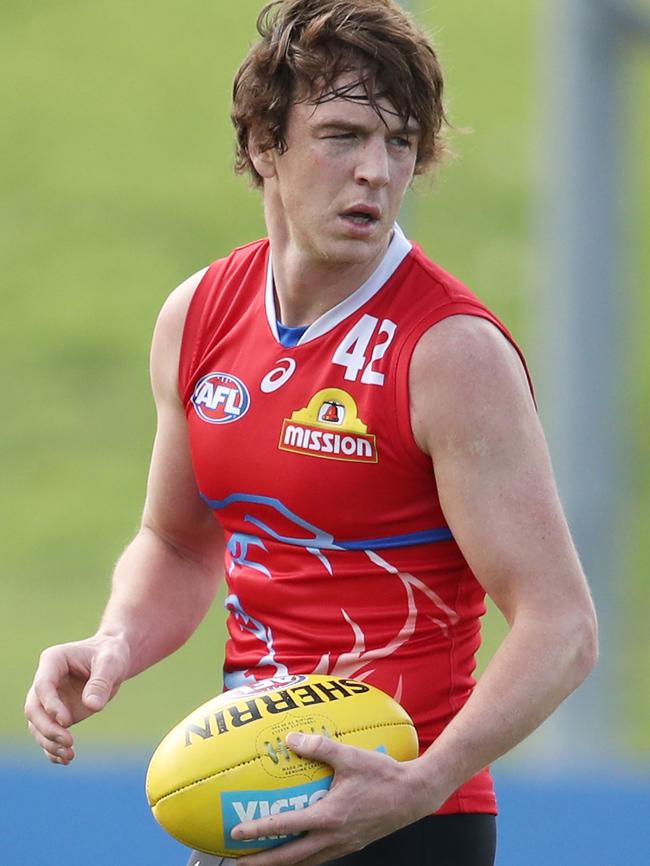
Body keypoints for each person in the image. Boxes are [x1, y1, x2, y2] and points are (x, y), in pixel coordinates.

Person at [24, 1, 598, 865]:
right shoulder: (200, 315)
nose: (375, 170)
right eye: (342, 135)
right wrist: (114, 642)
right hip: (254, 801)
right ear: (264, 144)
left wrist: (423, 781)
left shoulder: (450, 353)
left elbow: (562, 626)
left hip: (408, 821)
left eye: (400, 143)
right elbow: (178, 547)